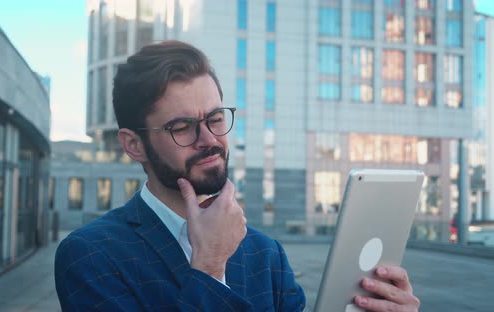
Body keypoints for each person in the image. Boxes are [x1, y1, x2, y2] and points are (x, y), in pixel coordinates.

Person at [54, 40, 420, 311]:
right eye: (182, 127)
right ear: (134, 145)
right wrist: (210, 266)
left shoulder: (265, 253)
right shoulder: (90, 256)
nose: (210, 140)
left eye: (215, 119)